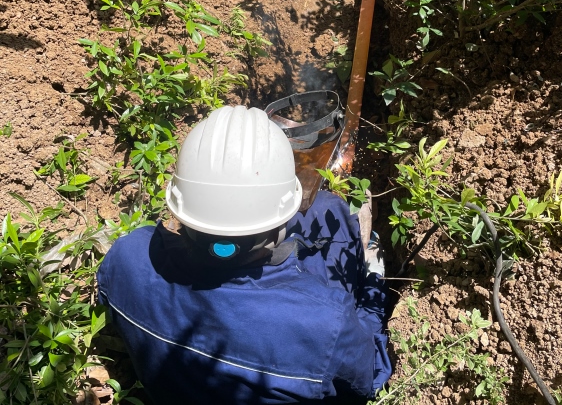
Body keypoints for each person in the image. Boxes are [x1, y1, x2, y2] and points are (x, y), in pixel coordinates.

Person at [97, 105, 391, 404]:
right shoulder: (323, 324)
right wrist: (373, 289)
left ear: (181, 206)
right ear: (281, 222)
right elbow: (368, 380)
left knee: (324, 208)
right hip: (318, 331)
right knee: (330, 210)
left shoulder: (128, 256)